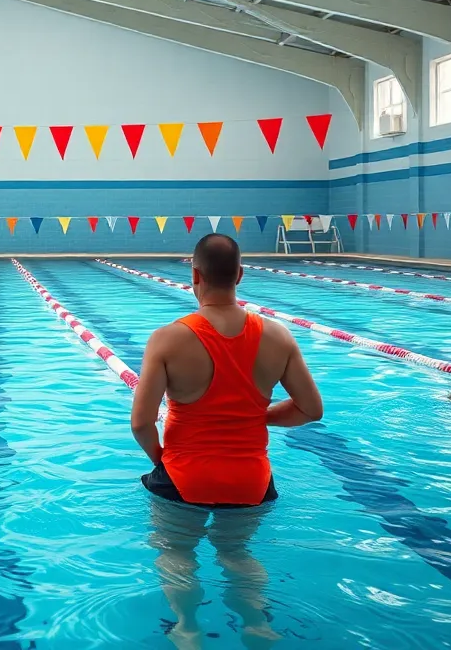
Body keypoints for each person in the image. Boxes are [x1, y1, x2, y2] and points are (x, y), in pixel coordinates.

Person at [132, 233, 323, 648]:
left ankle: (186, 627)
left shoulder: (168, 338)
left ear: (194, 275)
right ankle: (256, 622)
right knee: (236, 553)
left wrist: (163, 461)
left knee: (177, 551)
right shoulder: (278, 336)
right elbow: (311, 409)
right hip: (251, 480)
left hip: (183, 476)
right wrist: (255, 416)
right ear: (240, 275)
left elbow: (141, 422)